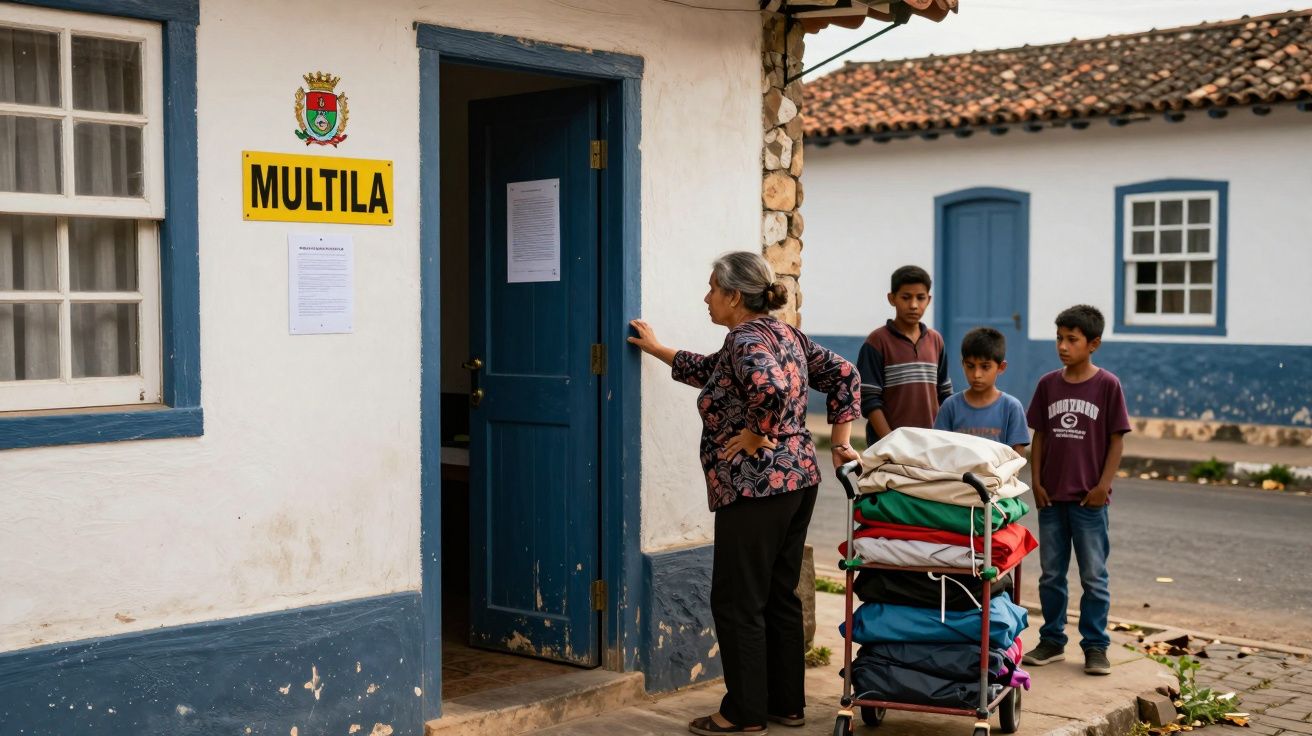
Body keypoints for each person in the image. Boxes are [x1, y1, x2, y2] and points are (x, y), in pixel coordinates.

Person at [627, 251, 861, 735]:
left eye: (713, 287)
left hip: (754, 489)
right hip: (799, 482)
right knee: (779, 596)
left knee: (738, 601)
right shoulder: (783, 335)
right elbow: (843, 375)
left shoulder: (744, 339)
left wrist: (758, 433)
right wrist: (839, 442)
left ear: (735, 295)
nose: (706, 297)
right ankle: (785, 705)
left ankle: (743, 713)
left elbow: (769, 391)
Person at [1022, 305, 1131, 676]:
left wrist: (1104, 485)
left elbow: (1117, 440)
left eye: (1072, 339)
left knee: (1093, 577)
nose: (1063, 346)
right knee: (1051, 575)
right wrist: (1034, 482)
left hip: (1089, 501)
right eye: (1059, 338)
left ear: (1093, 343)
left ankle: (1096, 646)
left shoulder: (1108, 386)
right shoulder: (1047, 384)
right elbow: (1039, 436)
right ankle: (1052, 640)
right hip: (1051, 499)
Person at [857, 265, 953, 447]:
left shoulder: (936, 340)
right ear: (892, 298)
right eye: (906, 297)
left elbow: (945, 394)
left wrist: (945, 438)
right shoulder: (877, 342)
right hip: (888, 445)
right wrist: (890, 442)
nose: (914, 305)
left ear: (929, 300)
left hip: (931, 444)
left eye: (921, 298)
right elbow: (869, 400)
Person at [934, 327, 1030, 454]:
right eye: (970, 366)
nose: (976, 374)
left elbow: (1016, 459)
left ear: (1001, 367)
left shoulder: (1011, 407)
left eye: (985, 367)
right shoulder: (950, 406)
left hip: (998, 474)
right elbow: (939, 450)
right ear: (963, 364)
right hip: (956, 474)